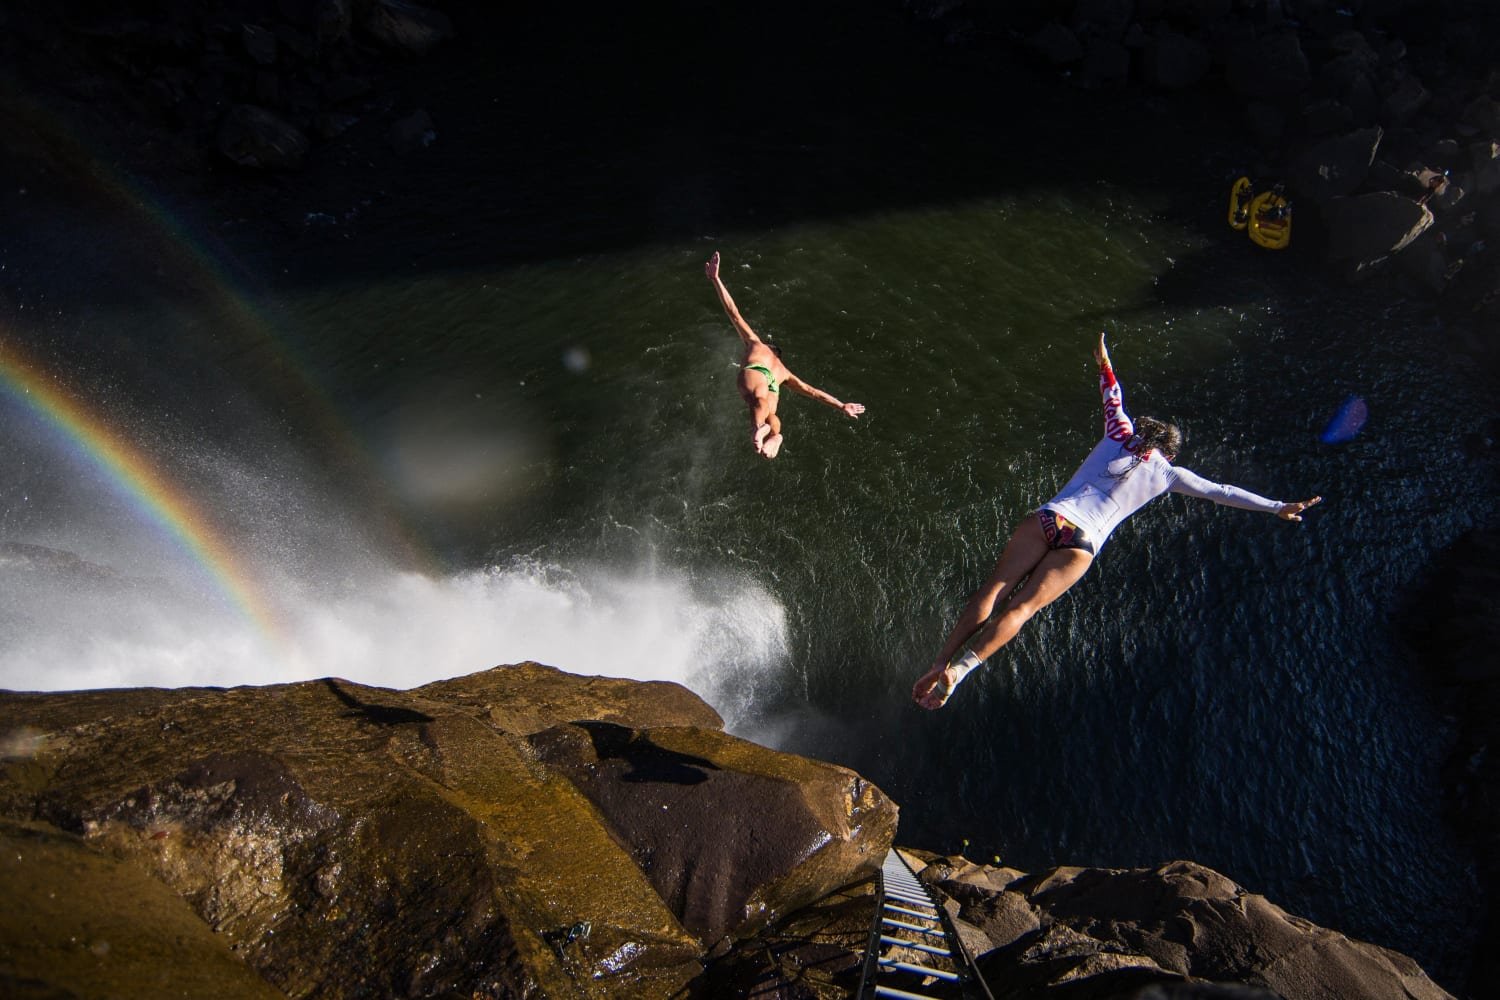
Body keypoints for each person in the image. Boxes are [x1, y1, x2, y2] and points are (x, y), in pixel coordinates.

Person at [911, 332, 1322, 710]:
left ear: (1145, 432)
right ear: (1170, 452)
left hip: (1052, 518)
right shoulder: (1170, 475)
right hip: (1082, 544)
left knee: (995, 590)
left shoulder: (1120, 431)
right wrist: (1277, 506)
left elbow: (1112, 393)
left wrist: (1104, 359)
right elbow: (1223, 492)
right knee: (1022, 610)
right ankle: (960, 673)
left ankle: (939, 662)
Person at [705, 251, 865, 458]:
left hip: (757, 371)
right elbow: (813, 392)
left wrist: (716, 280)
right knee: (772, 415)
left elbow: (733, 312)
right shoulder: (784, 372)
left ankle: (758, 428)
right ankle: (775, 435)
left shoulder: (756, 344)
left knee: (757, 400)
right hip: (775, 384)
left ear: (770, 348)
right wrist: (841, 405)